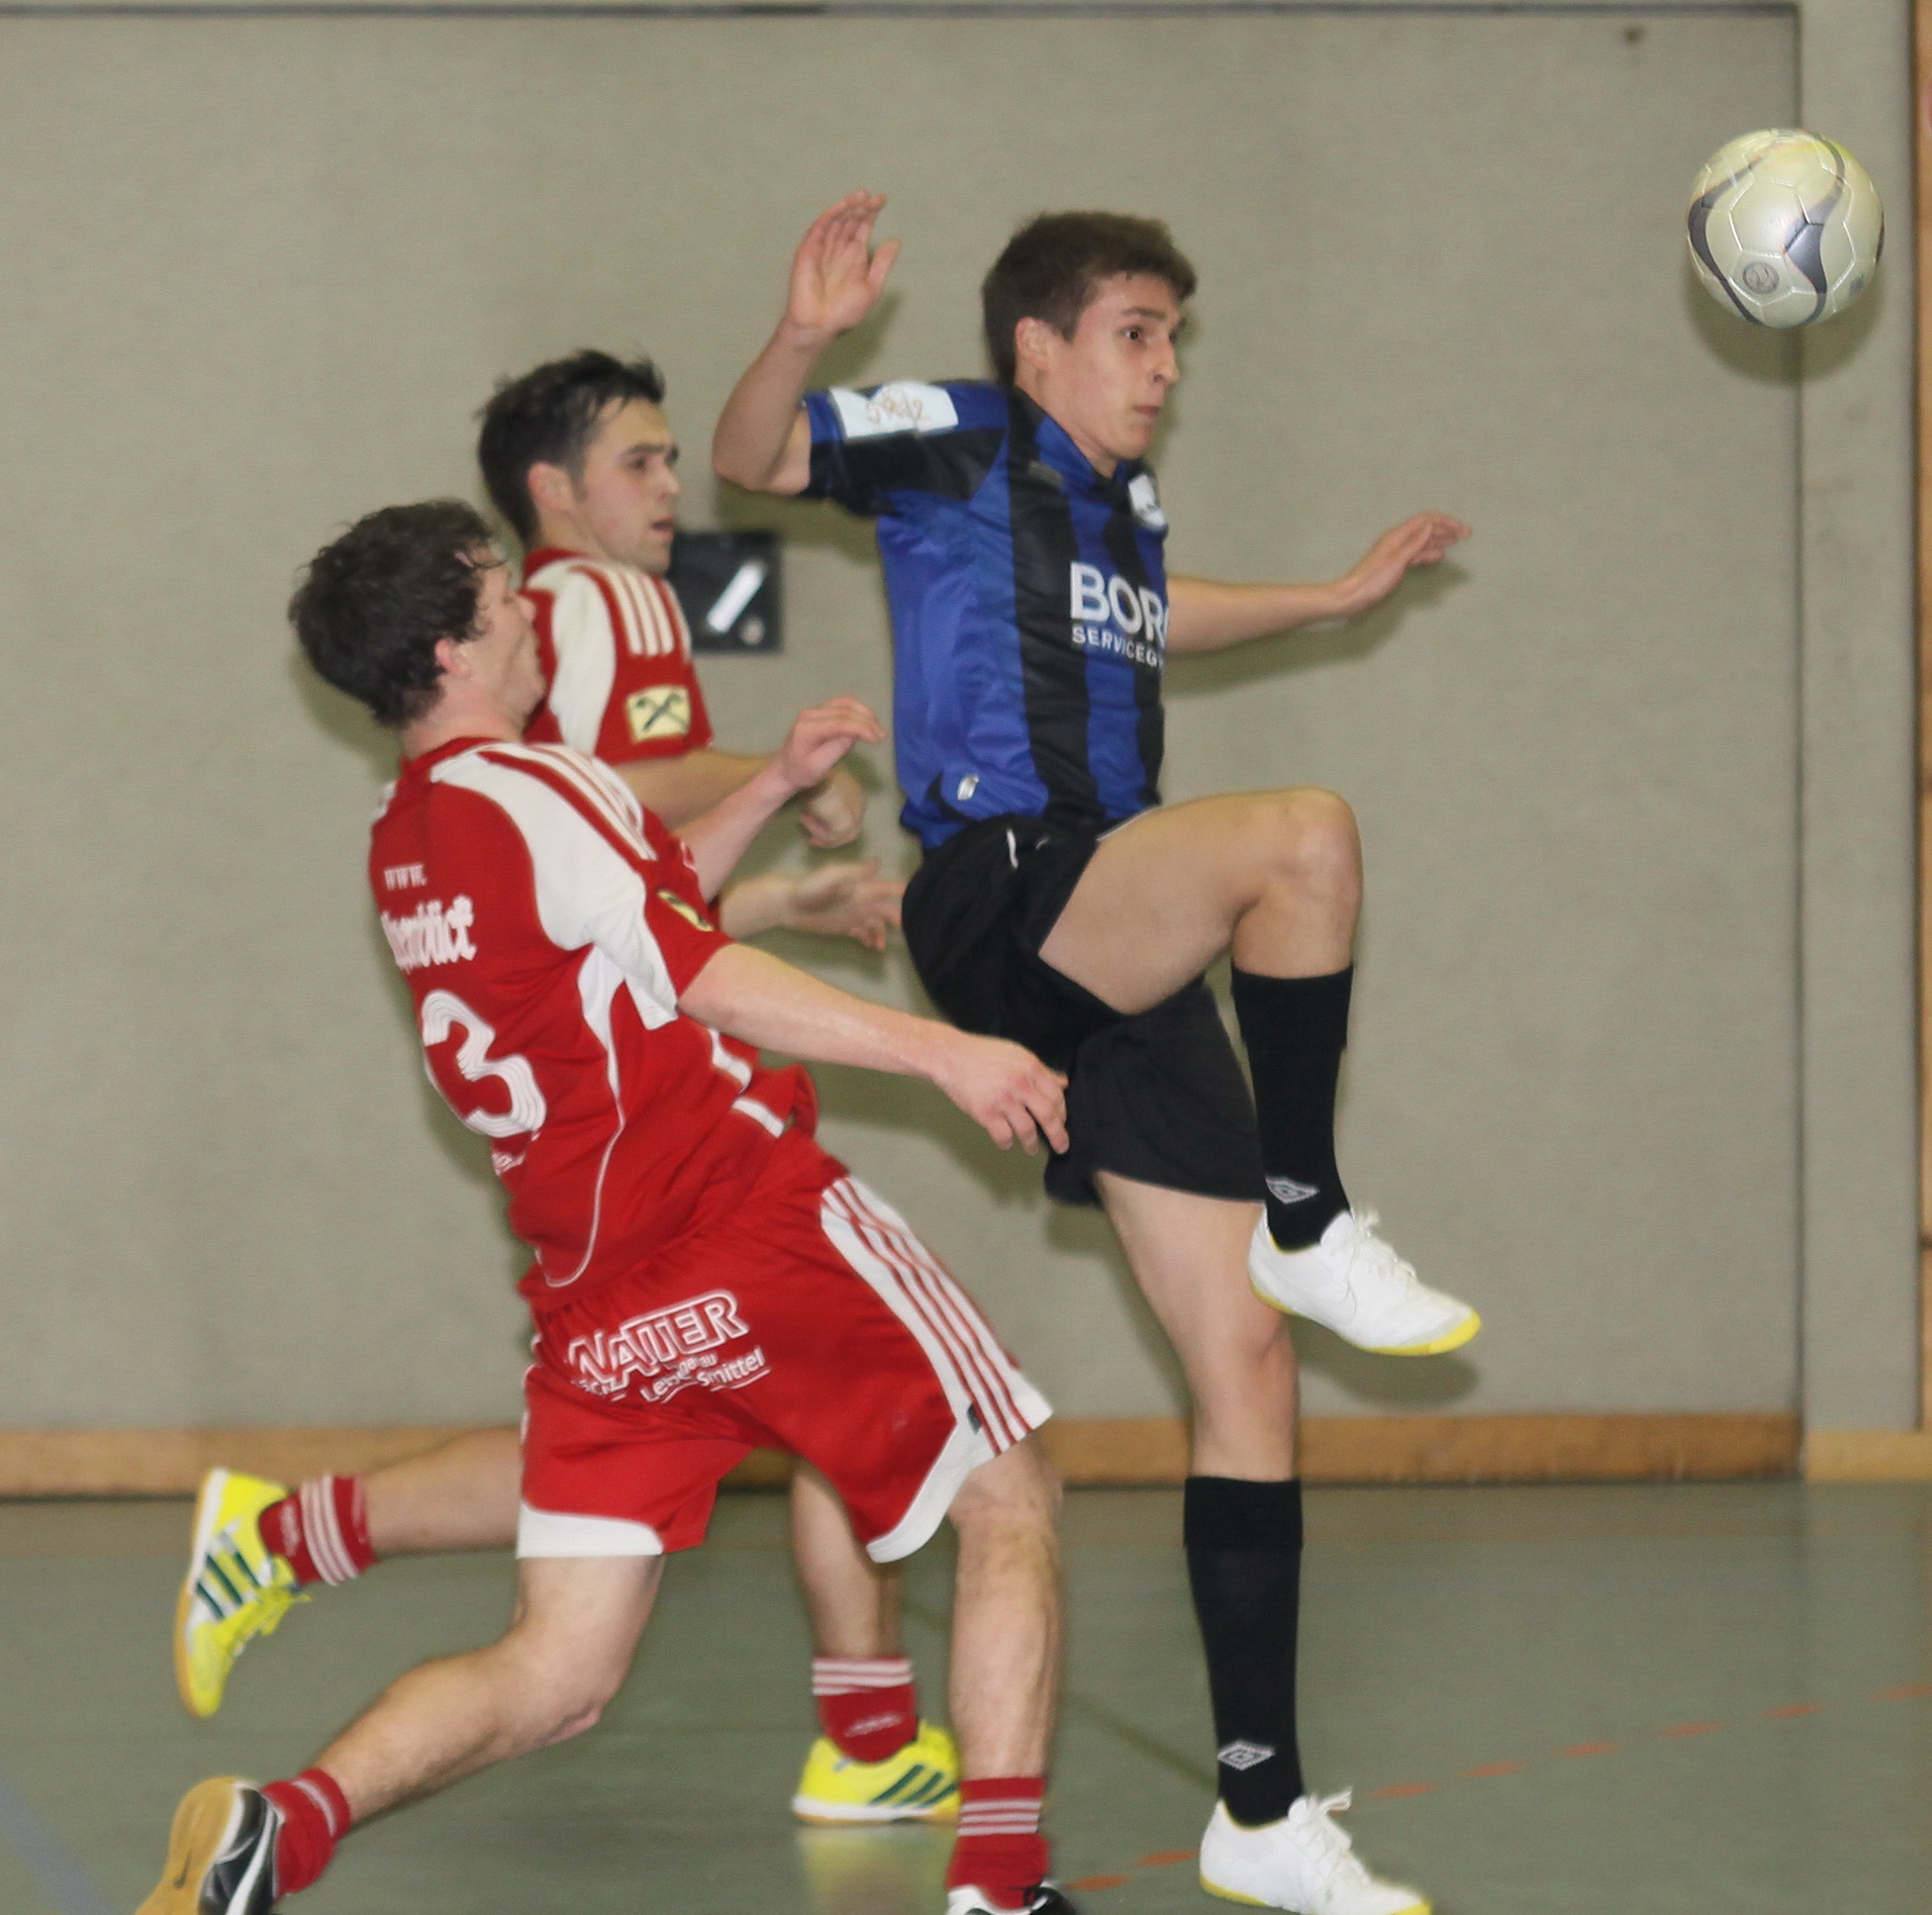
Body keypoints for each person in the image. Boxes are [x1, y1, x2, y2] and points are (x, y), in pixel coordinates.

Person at [142, 500, 1076, 1915]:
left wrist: (769, 786)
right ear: (452, 650)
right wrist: (941, 1052)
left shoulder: (411, 836)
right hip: (743, 1222)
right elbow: (692, 970)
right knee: (1009, 1486)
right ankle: (1000, 1889)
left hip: (601, 1299)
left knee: (558, 1673)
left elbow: (628, 912)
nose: (534, 611)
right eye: (505, 597)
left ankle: (283, 1827)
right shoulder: (538, 784)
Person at [713, 193, 1473, 1914]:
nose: (1164, 368)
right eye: (1137, 334)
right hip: (1000, 884)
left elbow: (1155, 609)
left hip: (1118, 930)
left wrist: (1336, 597)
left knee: (1248, 1370)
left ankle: (1259, 1811)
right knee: (1302, 838)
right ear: (1039, 346)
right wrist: (806, 337)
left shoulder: (1119, 510)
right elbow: (754, 458)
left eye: (1174, 339)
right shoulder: (963, 434)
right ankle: (1313, 1209)